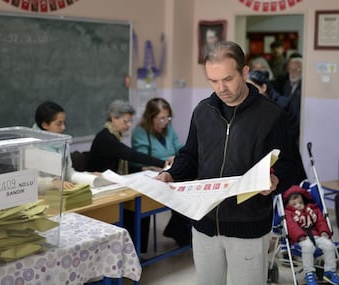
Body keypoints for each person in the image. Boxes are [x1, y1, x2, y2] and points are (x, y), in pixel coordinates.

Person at [156, 41, 302, 285]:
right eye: (213, 80)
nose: (220, 88)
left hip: (249, 225)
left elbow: (289, 163)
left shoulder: (271, 114)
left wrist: (275, 180)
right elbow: (190, 155)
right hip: (203, 223)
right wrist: (170, 174)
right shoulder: (203, 111)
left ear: (244, 72)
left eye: (227, 78)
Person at [87, 99, 169, 253]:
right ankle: (132, 253)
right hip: (101, 189)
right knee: (137, 209)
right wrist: (163, 163)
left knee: (143, 203)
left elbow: (120, 162)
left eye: (131, 121)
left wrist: (146, 166)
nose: (129, 125)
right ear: (113, 118)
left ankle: (138, 252)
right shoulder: (106, 138)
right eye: (126, 121)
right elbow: (130, 154)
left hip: (113, 182)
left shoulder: (114, 135)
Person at [132, 98, 191, 247]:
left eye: (168, 117)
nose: (165, 121)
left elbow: (180, 148)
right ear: (151, 117)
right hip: (152, 176)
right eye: (161, 118)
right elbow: (142, 159)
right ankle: (177, 231)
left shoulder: (169, 129)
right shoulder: (140, 133)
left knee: (186, 195)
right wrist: (167, 159)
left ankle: (178, 230)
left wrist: (178, 157)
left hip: (170, 174)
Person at [283, 185, 339, 285]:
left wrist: (324, 231)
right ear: (289, 205)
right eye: (294, 204)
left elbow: (320, 222)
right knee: (308, 247)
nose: (299, 205)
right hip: (300, 238)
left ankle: (330, 272)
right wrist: (299, 236)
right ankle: (309, 273)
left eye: (300, 203)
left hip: (316, 235)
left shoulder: (312, 210)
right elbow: (291, 226)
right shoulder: (288, 213)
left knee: (329, 245)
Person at [33, 101, 77, 191]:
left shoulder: (62, 143)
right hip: (42, 198)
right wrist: (53, 183)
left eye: (63, 123)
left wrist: (89, 177)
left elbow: (68, 173)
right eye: (59, 123)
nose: (63, 127)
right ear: (45, 125)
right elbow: (29, 182)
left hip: (61, 195)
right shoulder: (30, 147)